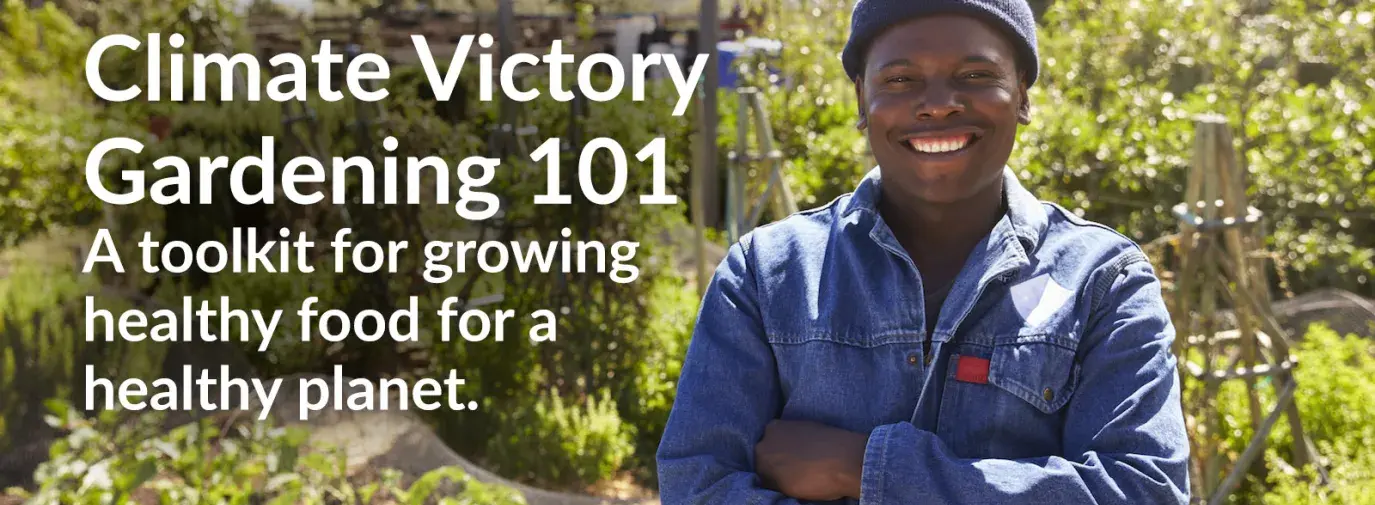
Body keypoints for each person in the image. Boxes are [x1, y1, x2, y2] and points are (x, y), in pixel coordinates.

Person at [654, 0, 1192, 503]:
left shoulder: (1103, 282)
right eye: (901, 79)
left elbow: (1144, 489)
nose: (937, 104)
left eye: (975, 75)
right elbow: (696, 483)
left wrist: (865, 468)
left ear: (1023, 93)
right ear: (862, 99)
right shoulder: (767, 276)